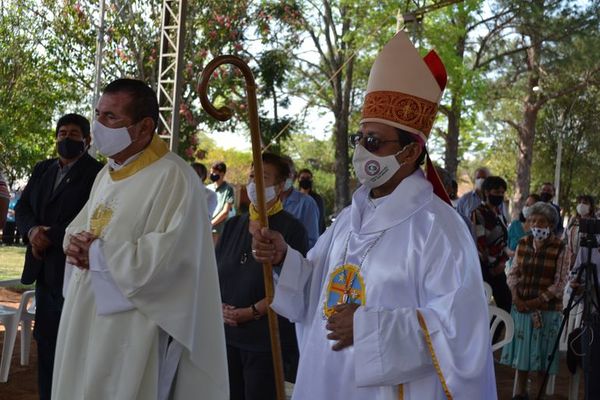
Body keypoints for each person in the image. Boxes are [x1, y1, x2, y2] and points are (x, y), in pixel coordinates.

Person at [251, 31, 496, 399]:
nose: (363, 152)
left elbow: (460, 327)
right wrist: (285, 257)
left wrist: (368, 330)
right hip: (326, 376)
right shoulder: (351, 217)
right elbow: (318, 285)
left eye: (375, 142)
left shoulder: (439, 228)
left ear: (411, 152)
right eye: (360, 139)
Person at [53, 79, 228, 400]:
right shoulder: (107, 174)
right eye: (98, 114)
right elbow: (80, 227)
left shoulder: (174, 177)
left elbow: (175, 259)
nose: (98, 125)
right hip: (86, 310)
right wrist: (74, 245)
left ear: (145, 126)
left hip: (132, 326)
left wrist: (100, 255)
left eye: (111, 118)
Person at [14, 113, 103, 400]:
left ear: (87, 141)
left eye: (74, 134)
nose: (66, 138)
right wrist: (31, 232)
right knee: (47, 345)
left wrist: (48, 236)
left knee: (74, 347)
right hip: (42, 271)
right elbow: (24, 207)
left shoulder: (98, 175)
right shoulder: (43, 169)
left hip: (73, 271)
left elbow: (92, 219)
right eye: (62, 133)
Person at [217, 152, 308, 400]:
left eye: (264, 177)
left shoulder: (291, 229)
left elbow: (294, 282)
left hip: (265, 340)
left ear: (280, 187)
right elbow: (217, 270)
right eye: (251, 176)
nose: (255, 182)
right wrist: (221, 307)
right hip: (228, 336)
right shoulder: (234, 224)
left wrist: (253, 311)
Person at [500, 201, 569, 399]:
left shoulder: (560, 247)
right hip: (521, 308)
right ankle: (520, 393)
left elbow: (559, 282)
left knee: (542, 356)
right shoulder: (523, 243)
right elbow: (513, 273)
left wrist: (533, 303)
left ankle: (539, 394)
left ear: (550, 224)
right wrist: (516, 297)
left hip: (547, 310)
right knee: (522, 356)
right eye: (532, 220)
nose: (535, 225)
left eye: (541, 221)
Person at [471, 176, 511, 313]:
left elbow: (503, 240)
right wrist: (493, 265)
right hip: (485, 267)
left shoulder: (499, 213)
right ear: (487, 192)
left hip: (500, 264)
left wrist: (502, 261)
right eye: (496, 192)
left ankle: (498, 334)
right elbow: (480, 242)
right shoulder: (479, 213)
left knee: (506, 303)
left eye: (502, 193)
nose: (499, 195)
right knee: (483, 305)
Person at [280, 158, 320, 249]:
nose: (283, 178)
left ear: (294, 177)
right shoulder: (267, 203)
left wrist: (285, 252)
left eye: (287, 174)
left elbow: (312, 242)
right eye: (280, 174)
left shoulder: (307, 203)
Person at [506, 194, 540, 267]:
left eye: (531, 205)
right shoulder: (514, 225)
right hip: (512, 270)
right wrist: (513, 253)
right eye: (526, 204)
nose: (527, 207)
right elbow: (506, 247)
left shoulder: (539, 230)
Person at [565, 194, 595, 270]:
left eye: (585, 203)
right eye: (580, 202)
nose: (581, 205)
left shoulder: (596, 222)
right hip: (571, 260)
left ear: (591, 206)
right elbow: (565, 238)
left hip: (590, 260)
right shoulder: (573, 221)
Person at [208, 161, 235, 243]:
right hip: (205, 227)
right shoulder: (208, 188)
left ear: (222, 174)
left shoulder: (228, 190)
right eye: (211, 172)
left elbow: (225, 212)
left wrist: (211, 223)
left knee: (214, 254)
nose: (212, 174)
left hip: (217, 229)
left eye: (214, 172)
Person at [297, 168, 326, 234]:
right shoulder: (294, 198)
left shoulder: (317, 199)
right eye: (303, 178)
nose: (305, 180)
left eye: (308, 178)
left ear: (311, 180)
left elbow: (321, 220)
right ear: (298, 179)